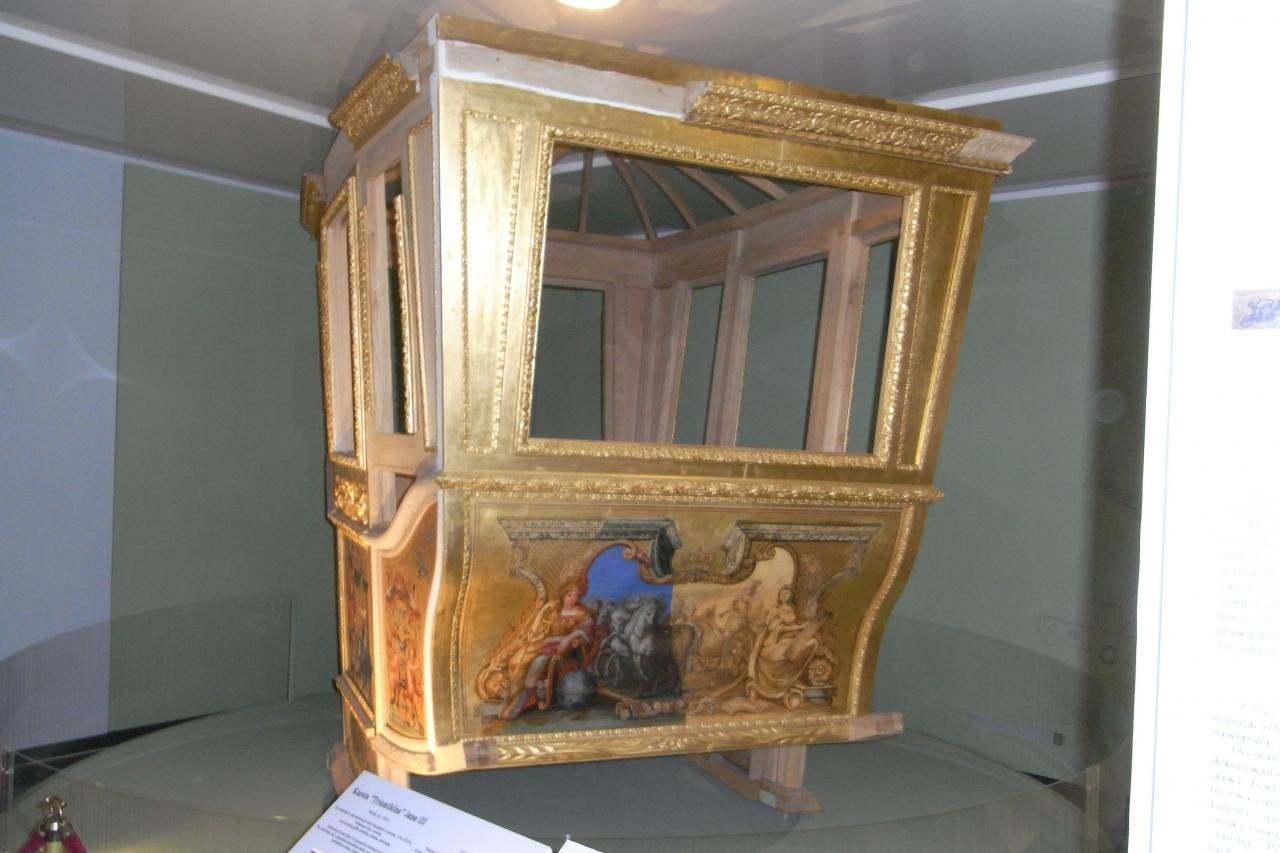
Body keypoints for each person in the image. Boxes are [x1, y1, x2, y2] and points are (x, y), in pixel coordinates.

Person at [496, 574, 597, 720]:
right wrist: (547, 640)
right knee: (519, 661)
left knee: (539, 661)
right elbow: (542, 632)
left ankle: (521, 701)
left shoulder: (581, 612)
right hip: (547, 645)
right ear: (563, 596)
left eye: (576, 595)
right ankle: (510, 696)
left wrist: (567, 639)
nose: (573, 598)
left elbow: (587, 629)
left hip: (567, 649)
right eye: (570, 595)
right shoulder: (554, 612)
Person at [744, 586, 824, 703]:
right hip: (773, 640)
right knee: (776, 655)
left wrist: (802, 628)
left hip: (787, 638)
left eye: (787, 593)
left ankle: (791, 678)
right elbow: (776, 628)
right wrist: (800, 627)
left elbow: (791, 623)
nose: (784, 596)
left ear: (791, 595)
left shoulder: (791, 609)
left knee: (811, 643)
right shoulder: (775, 609)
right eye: (782, 593)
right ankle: (764, 687)